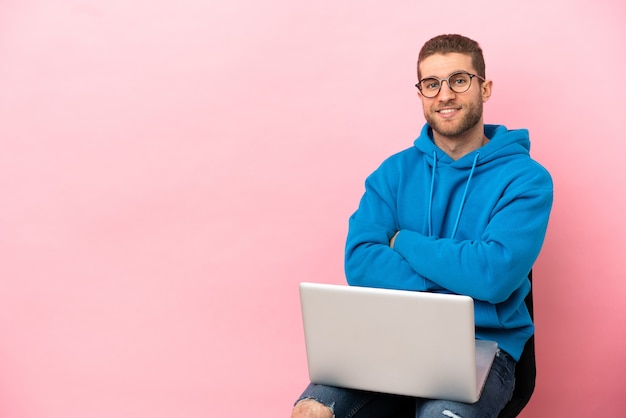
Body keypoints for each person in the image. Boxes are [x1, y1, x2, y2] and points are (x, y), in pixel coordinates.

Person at [291, 34, 553, 418]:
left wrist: (405, 242)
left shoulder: (526, 179)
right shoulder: (392, 173)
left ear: (485, 87)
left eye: (458, 80)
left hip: (479, 344)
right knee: (311, 411)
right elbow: (361, 264)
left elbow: (494, 275)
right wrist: (462, 282)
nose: (444, 94)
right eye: (431, 84)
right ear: (421, 94)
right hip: (387, 337)